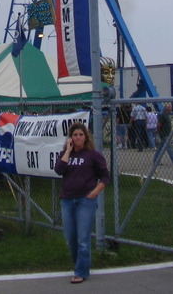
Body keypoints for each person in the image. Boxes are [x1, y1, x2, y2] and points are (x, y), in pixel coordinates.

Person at [54, 121, 111, 284]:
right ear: (70, 138)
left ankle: (80, 271)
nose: (78, 138)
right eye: (75, 135)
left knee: (82, 238)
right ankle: (79, 265)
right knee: (71, 237)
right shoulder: (66, 155)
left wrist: (94, 192)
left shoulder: (93, 155)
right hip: (67, 200)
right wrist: (68, 150)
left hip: (85, 200)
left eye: (81, 135)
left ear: (86, 137)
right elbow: (59, 170)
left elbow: (105, 176)